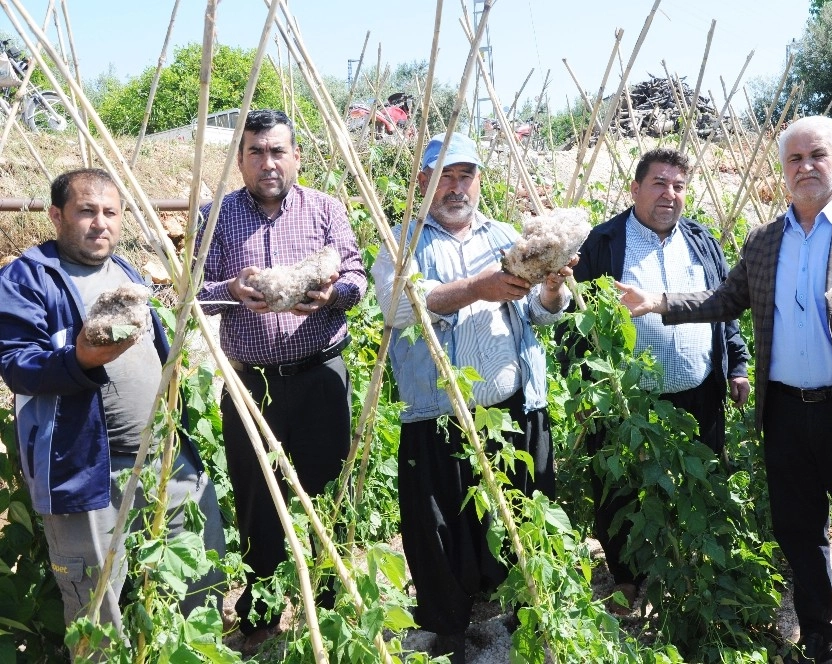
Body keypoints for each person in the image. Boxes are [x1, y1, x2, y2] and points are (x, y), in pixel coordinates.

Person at [615, 116, 832, 664]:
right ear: (783, 171)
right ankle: (817, 641)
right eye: (795, 159)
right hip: (784, 413)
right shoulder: (764, 241)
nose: (806, 167)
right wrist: (658, 301)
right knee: (800, 537)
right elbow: (723, 300)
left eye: (818, 155)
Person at [371, 132, 574, 664]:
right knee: (438, 529)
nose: (456, 187)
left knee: (515, 516)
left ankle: (516, 614)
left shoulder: (508, 236)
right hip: (438, 414)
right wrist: (474, 289)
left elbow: (540, 315)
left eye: (466, 175)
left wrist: (552, 289)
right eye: (444, 176)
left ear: (479, 180)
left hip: (511, 411)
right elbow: (397, 308)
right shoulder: (403, 242)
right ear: (423, 183)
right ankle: (450, 632)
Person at [0, 168, 226, 643]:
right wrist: (80, 357)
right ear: (57, 215)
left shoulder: (124, 270)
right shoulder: (29, 278)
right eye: (86, 211)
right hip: (85, 468)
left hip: (164, 454)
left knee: (200, 569)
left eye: (110, 212)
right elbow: (16, 363)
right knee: (95, 603)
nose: (100, 222)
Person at [194, 109, 366, 647]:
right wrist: (231, 288)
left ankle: (332, 603)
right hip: (252, 385)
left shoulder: (325, 210)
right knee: (256, 498)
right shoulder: (216, 216)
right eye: (256, 153)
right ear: (241, 160)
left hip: (319, 376)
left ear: (296, 157)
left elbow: (357, 279)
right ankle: (261, 612)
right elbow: (194, 292)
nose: (268, 163)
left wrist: (328, 295)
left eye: (277, 151)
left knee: (327, 490)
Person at [571, 147, 750, 611]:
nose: (669, 194)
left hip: (698, 388)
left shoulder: (702, 240)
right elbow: (577, 320)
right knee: (620, 487)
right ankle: (628, 577)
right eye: (658, 183)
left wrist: (737, 362)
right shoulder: (604, 242)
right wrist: (588, 386)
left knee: (699, 475)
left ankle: (688, 565)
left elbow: (724, 303)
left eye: (678, 186)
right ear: (635, 189)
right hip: (626, 397)